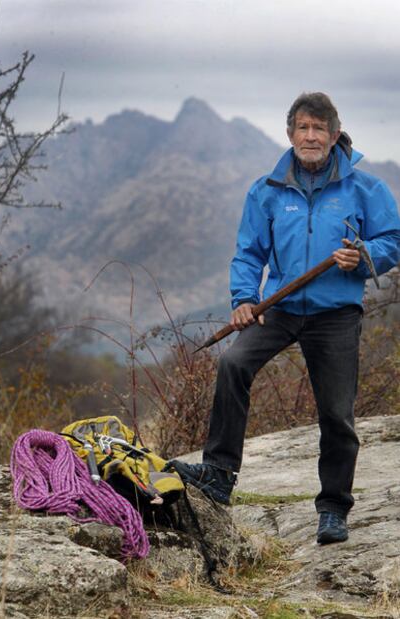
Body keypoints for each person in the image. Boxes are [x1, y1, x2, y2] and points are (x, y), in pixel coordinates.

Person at [167, 92, 400, 544]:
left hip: (336, 313)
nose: (310, 136)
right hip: (281, 308)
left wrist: (365, 254)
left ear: (334, 136)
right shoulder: (267, 190)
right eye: (302, 128)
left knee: (336, 414)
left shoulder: (365, 188)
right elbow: (250, 253)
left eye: (319, 129)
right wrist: (243, 298)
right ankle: (218, 473)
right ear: (290, 133)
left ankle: (333, 509)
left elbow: (393, 239)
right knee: (233, 365)